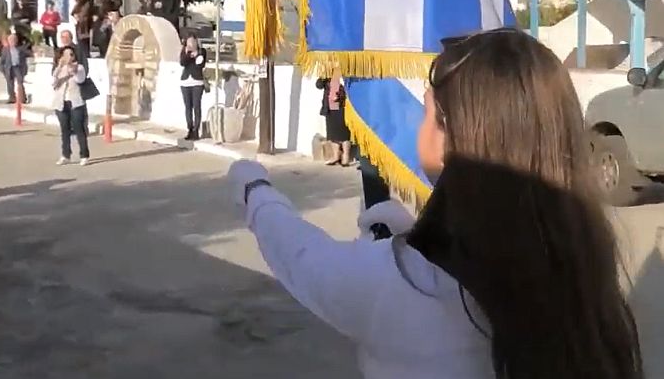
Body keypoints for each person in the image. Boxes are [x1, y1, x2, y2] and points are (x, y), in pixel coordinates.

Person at [228, 28, 644, 379]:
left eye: (429, 114)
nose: (420, 127)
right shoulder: (587, 271)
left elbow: (304, 259)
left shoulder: (402, 285)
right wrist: (411, 236)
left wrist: (256, 191)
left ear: (455, 135)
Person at [51, 46, 91, 166]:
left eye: (71, 54)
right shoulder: (60, 68)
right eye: (66, 54)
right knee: (65, 130)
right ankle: (65, 155)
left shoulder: (79, 68)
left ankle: (84, 155)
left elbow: (80, 80)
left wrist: (72, 69)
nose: (69, 57)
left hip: (76, 102)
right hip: (62, 103)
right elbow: (54, 79)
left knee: (79, 129)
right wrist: (60, 66)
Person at [316, 70, 352, 166]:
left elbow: (349, 89)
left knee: (344, 132)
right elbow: (318, 85)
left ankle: (346, 157)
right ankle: (336, 156)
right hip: (330, 107)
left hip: (343, 106)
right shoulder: (327, 74)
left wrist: (340, 96)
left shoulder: (345, 73)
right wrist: (323, 76)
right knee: (332, 133)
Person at [179, 35, 207, 141]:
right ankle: (189, 129)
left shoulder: (202, 51)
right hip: (185, 82)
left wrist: (195, 55)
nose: (191, 45)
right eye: (189, 43)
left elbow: (200, 64)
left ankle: (196, 130)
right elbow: (182, 62)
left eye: (192, 42)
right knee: (188, 107)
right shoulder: (184, 51)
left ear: (196, 42)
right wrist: (188, 54)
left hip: (197, 82)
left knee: (196, 106)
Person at [0, 33, 30, 105]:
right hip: (9, 68)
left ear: (16, 41)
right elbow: (2, 60)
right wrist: (2, 69)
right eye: (10, 40)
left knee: (20, 82)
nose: (12, 41)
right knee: (10, 83)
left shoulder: (20, 49)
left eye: (14, 40)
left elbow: (25, 57)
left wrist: (25, 69)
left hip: (18, 68)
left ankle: (22, 98)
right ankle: (12, 98)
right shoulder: (5, 49)